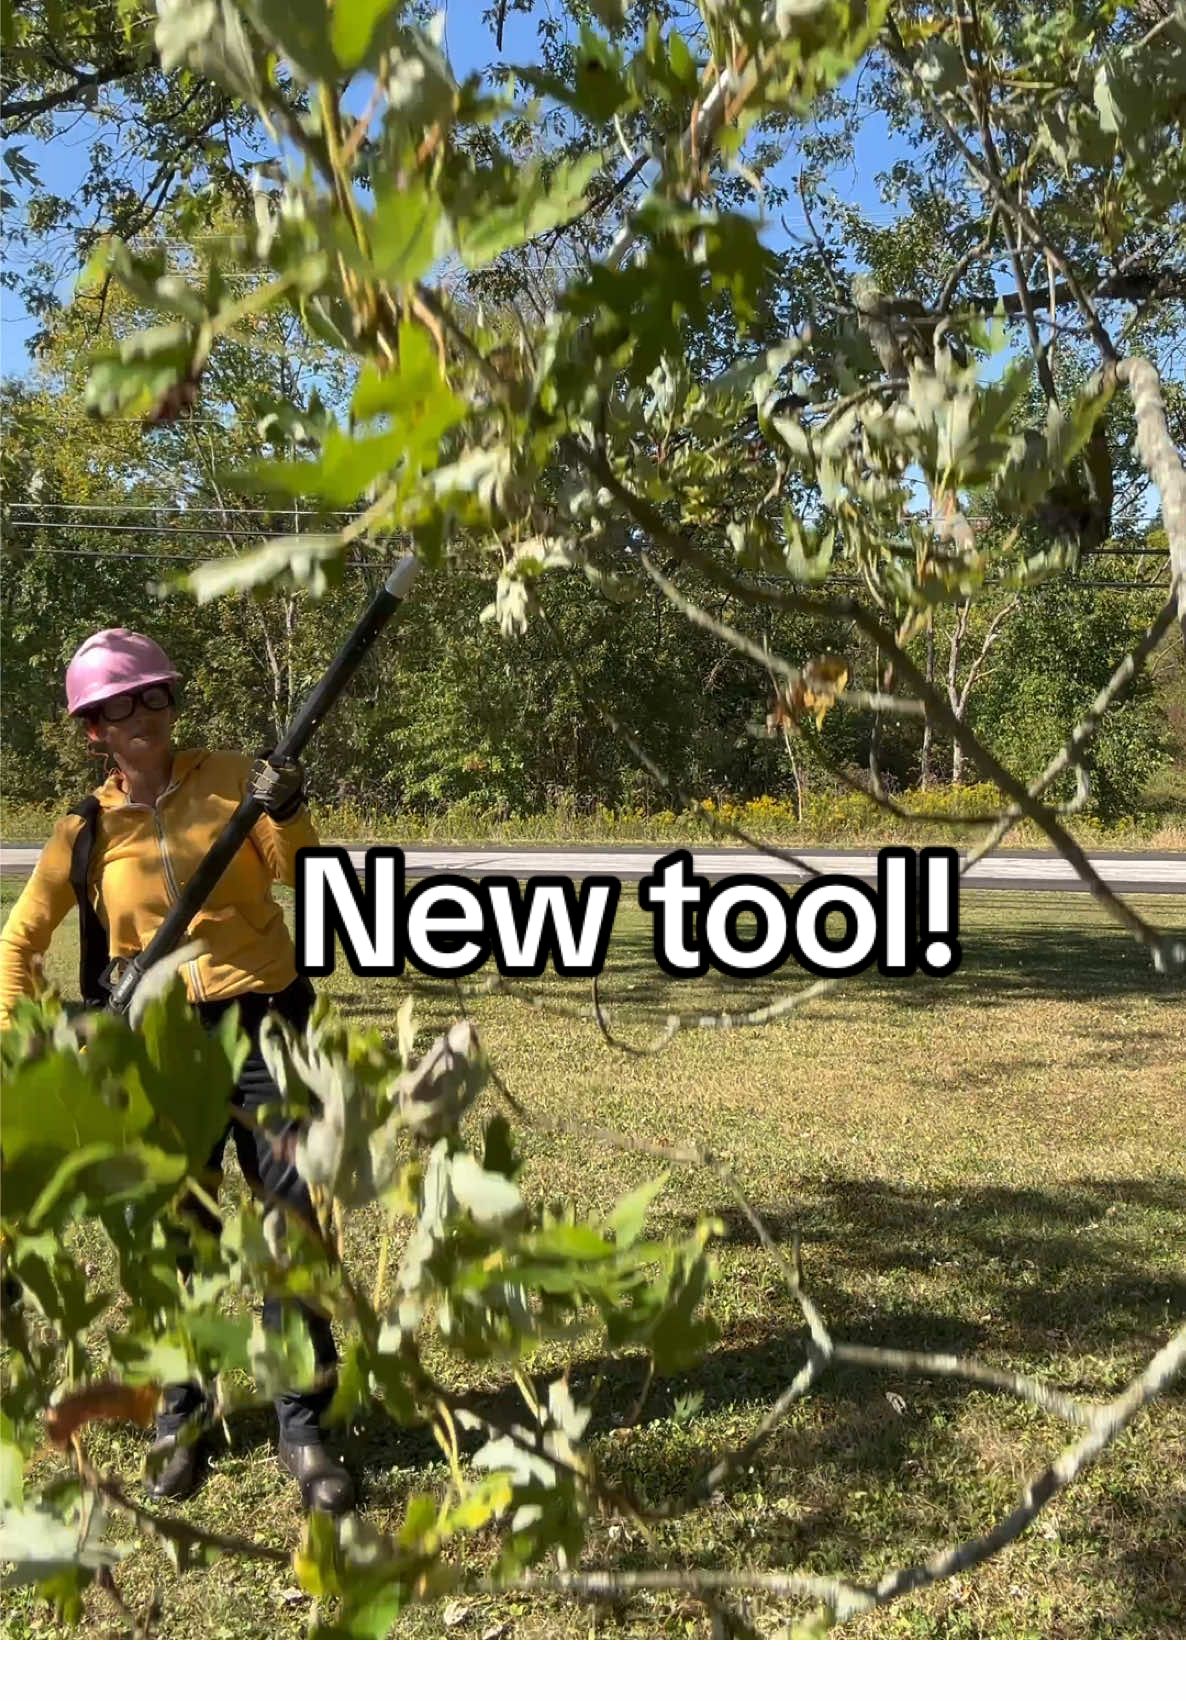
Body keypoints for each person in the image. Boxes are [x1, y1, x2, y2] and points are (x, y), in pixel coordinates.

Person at [0, 629, 354, 1513]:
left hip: (265, 1023)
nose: (144, 713)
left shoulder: (236, 776)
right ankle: (181, 1418)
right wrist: (31, 1043)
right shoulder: (84, 830)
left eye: (155, 694)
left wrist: (289, 807)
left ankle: (302, 1426)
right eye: (120, 704)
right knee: (179, 1237)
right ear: (93, 729)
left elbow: (311, 879)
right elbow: (20, 944)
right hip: (160, 1045)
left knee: (288, 1220)